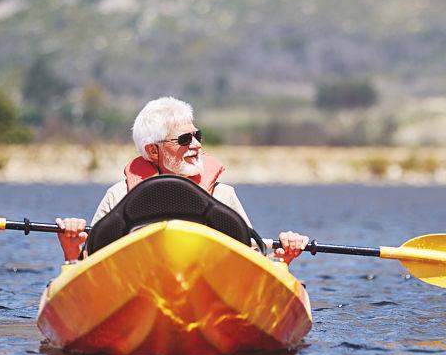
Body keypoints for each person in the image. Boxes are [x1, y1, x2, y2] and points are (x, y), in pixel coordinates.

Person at [55, 97, 308, 266]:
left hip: (209, 290)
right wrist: (70, 249)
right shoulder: (119, 195)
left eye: (197, 135)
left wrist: (283, 259)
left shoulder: (223, 196)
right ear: (153, 151)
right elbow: (86, 263)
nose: (197, 145)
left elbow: (253, 263)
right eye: (184, 139)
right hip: (133, 286)